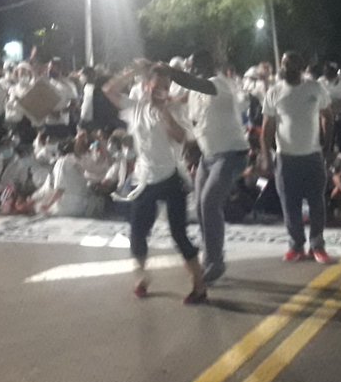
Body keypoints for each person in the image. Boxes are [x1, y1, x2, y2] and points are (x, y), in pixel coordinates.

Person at [106, 63, 207, 304]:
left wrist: (164, 112)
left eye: (164, 87)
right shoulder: (136, 108)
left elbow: (181, 137)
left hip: (171, 177)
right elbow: (109, 90)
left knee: (178, 233)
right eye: (155, 86)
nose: (159, 91)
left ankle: (199, 284)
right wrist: (133, 70)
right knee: (138, 231)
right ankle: (142, 277)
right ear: (146, 86)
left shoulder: (172, 109)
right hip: (145, 178)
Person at [175, 50, 250, 283]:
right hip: (208, 157)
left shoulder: (219, 83)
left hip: (231, 154)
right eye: (189, 66)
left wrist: (167, 71)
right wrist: (190, 149)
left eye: (193, 65)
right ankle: (210, 258)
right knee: (200, 206)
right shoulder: (194, 93)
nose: (190, 69)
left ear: (204, 66)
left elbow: (192, 82)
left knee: (209, 203)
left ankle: (216, 262)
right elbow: (197, 124)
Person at [260, 52, 334, 264]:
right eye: (284, 64)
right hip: (286, 158)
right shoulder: (274, 92)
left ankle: (317, 246)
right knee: (289, 204)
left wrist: (327, 147)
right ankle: (296, 246)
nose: (286, 68)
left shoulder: (315, 88)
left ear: (301, 68)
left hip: (312, 156)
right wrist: (266, 156)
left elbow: (327, 117)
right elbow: (267, 128)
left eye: (291, 65)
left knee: (317, 203)